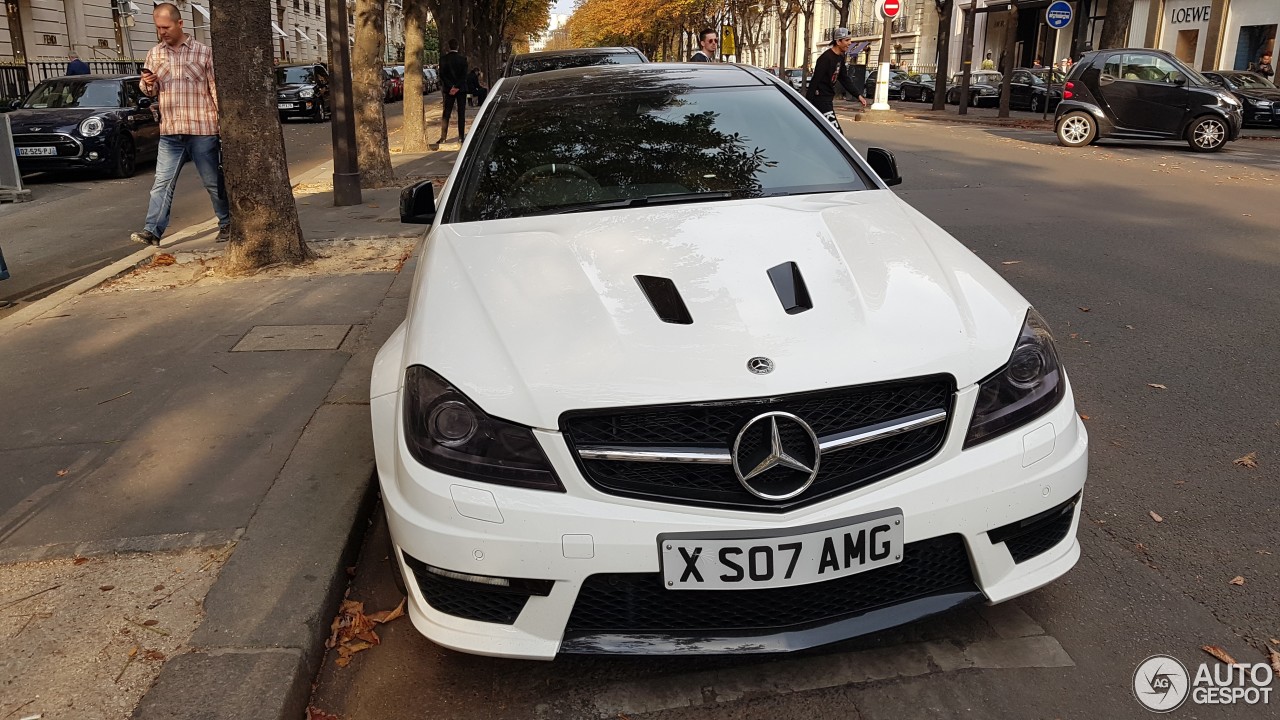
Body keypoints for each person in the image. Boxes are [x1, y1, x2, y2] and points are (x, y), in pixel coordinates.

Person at [130, 2, 229, 246]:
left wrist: (222, 123)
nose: (162, 32)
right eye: (158, 28)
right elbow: (149, 91)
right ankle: (152, 230)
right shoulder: (155, 54)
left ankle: (227, 223)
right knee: (162, 183)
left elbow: (215, 88)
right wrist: (147, 82)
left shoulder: (203, 52)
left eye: (166, 26)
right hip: (171, 131)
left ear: (180, 23)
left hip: (202, 129)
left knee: (212, 181)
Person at [805, 28, 867, 133]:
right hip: (821, 100)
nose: (849, 43)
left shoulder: (840, 57)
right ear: (838, 42)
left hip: (828, 99)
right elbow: (815, 80)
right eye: (847, 40)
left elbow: (844, 78)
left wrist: (858, 95)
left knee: (821, 132)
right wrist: (807, 103)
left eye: (849, 40)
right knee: (837, 133)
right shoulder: (825, 58)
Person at [437, 39, 468, 145]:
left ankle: (443, 137)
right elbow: (464, 76)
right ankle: (461, 137)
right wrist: (457, 86)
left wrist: (451, 87)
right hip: (461, 89)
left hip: (449, 90)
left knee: (446, 113)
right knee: (461, 113)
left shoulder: (443, 59)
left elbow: (442, 75)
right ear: (458, 47)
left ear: (448, 47)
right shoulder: (463, 59)